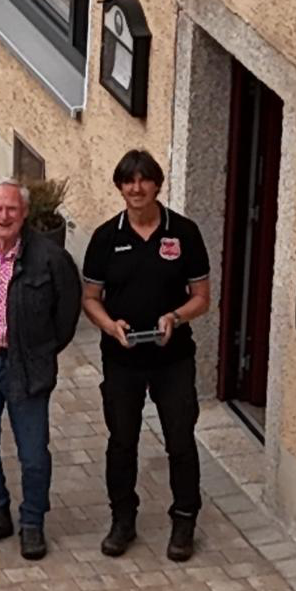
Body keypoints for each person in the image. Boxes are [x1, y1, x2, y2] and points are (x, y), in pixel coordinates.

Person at [81, 149, 212, 562]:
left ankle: (184, 519)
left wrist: (175, 316)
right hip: (122, 360)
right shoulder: (106, 237)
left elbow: (203, 298)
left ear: (157, 184)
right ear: (120, 187)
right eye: (128, 181)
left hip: (173, 359)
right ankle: (123, 520)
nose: (136, 189)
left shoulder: (185, 233)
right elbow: (90, 298)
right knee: (122, 441)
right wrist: (109, 325)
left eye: (143, 180)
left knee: (180, 439)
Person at [0, 179, 81, 561]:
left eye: (11, 209)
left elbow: (66, 316)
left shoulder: (50, 259)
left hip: (27, 365)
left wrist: (38, 350)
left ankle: (32, 524)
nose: (3, 216)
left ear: (24, 213)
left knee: (33, 453)